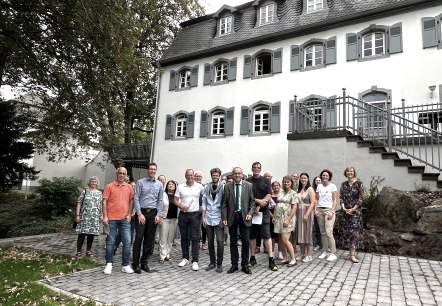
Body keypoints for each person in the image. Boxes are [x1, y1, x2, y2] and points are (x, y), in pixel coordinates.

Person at [222, 167, 256, 274]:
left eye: (239, 173)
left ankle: (245, 265)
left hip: (245, 217)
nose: (237, 175)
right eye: (235, 173)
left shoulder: (248, 185)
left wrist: (250, 214)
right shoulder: (227, 186)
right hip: (232, 217)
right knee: (233, 242)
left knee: (245, 241)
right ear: (232, 175)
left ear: (242, 175)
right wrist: (224, 218)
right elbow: (224, 204)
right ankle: (234, 265)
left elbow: (253, 202)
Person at [132, 162, 164, 274]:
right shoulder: (140, 182)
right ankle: (135, 264)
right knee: (139, 238)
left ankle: (144, 262)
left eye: (154, 169)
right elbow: (136, 198)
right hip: (142, 213)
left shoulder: (159, 184)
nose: (153, 171)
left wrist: (158, 215)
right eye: (151, 169)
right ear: (148, 170)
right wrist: (139, 214)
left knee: (149, 240)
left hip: (153, 214)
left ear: (156, 171)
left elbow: (160, 201)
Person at [102, 167, 134, 274]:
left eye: (123, 173)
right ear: (117, 173)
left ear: (126, 175)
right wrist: (105, 216)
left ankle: (125, 265)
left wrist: (129, 214)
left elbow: (131, 202)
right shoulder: (109, 186)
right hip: (111, 218)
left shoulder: (129, 187)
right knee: (110, 242)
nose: (121, 175)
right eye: (120, 173)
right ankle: (109, 264)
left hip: (125, 219)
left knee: (127, 242)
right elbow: (104, 202)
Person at [246, 162, 277, 271]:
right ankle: (252, 258)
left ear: (260, 169)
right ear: (252, 168)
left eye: (258, 168)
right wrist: (258, 202)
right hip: (252, 212)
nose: (256, 169)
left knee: (267, 236)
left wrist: (263, 201)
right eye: (254, 167)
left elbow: (269, 194)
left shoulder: (266, 180)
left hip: (264, 213)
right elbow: (246, 196)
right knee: (252, 236)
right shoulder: (247, 181)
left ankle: (271, 260)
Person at [174, 169, 204, 271]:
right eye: (188, 175)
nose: (190, 177)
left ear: (194, 176)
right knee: (184, 237)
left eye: (192, 175)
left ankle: (195, 261)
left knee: (195, 238)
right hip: (183, 215)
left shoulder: (199, 186)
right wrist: (181, 205)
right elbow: (175, 200)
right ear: (185, 176)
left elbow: (205, 198)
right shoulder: (180, 187)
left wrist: (202, 207)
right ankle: (185, 258)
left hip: (195, 215)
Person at [338, 167, 364, 263]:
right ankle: (350, 253)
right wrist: (344, 208)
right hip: (345, 212)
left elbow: (361, 198)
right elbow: (341, 197)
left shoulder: (359, 184)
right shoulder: (343, 184)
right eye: (348, 171)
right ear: (346, 173)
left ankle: (353, 254)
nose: (350, 173)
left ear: (354, 173)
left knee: (354, 232)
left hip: (355, 212)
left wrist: (353, 209)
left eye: (351, 171)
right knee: (347, 232)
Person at [202, 168, 225, 273]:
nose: (215, 177)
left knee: (220, 242)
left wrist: (223, 218)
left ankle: (219, 264)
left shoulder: (223, 187)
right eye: (213, 175)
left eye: (217, 175)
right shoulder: (206, 187)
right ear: (211, 176)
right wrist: (203, 217)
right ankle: (212, 262)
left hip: (219, 217)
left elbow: (225, 204)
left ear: (219, 176)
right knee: (210, 241)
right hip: (208, 218)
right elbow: (204, 204)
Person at [75, 176, 102, 258]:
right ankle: (78, 251)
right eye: (92, 181)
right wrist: (77, 215)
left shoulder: (99, 193)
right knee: (82, 234)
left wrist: (101, 215)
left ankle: (88, 251)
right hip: (84, 216)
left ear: (97, 183)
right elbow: (79, 203)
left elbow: (100, 205)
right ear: (89, 182)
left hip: (94, 217)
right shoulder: (85, 192)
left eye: (95, 182)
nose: (94, 183)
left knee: (91, 234)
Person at [273, 175, 298, 267]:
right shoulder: (281, 192)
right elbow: (277, 204)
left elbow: (294, 207)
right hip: (279, 218)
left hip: (287, 218)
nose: (286, 183)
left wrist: (288, 219)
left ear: (291, 183)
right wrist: (274, 216)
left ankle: (293, 259)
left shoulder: (293, 193)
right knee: (281, 239)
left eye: (288, 182)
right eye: (284, 182)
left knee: (285, 239)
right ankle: (285, 258)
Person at [315, 169, 338, 262]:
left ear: (329, 177)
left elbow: (335, 200)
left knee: (329, 232)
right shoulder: (319, 186)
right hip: (320, 210)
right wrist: (315, 209)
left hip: (329, 210)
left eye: (326, 175)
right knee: (323, 232)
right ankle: (325, 251)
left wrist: (332, 211)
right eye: (323, 175)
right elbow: (316, 199)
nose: (325, 177)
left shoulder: (332, 186)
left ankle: (333, 253)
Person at [296, 173, 315, 263]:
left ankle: (309, 255)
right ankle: (302, 254)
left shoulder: (310, 189)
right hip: (298, 213)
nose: (303, 179)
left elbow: (313, 203)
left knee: (307, 234)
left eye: (305, 178)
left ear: (308, 179)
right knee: (300, 234)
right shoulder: (298, 189)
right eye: (302, 178)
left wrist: (307, 214)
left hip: (307, 213)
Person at [159, 180, 178, 263]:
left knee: (170, 239)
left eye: (172, 184)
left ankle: (167, 254)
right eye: (169, 184)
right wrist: (159, 217)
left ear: (175, 186)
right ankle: (162, 256)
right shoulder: (163, 194)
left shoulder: (177, 196)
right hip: (164, 219)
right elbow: (159, 205)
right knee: (163, 238)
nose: (171, 185)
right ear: (166, 186)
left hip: (174, 219)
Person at [194, 170, 207, 251]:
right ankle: (197, 242)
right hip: (194, 210)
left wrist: (202, 207)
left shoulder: (204, 187)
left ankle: (204, 243)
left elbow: (205, 198)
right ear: (194, 177)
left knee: (204, 227)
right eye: (197, 176)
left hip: (203, 210)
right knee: (196, 228)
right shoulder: (192, 186)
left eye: (199, 176)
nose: (198, 177)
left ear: (201, 177)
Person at [269, 180, 282, 260]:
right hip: (272, 218)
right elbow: (267, 209)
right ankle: (272, 253)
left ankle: (280, 252)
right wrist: (272, 216)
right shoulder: (270, 196)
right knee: (272, 236)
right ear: (272, 187)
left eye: (277, 185)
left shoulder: (282, 195)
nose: (276, 187)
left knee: (280, 236)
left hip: (281, 218)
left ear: (279, 186)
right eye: (274, 186)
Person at [312, 176, 323, 252]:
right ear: (314, 182)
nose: (318, 181)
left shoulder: (324, 188)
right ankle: (319, 244)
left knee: (325, 229)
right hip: (315, 211)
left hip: (323, 210)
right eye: (316, 180)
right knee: (317, 229)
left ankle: (326, 245)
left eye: (319, 180)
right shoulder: (312, 190)